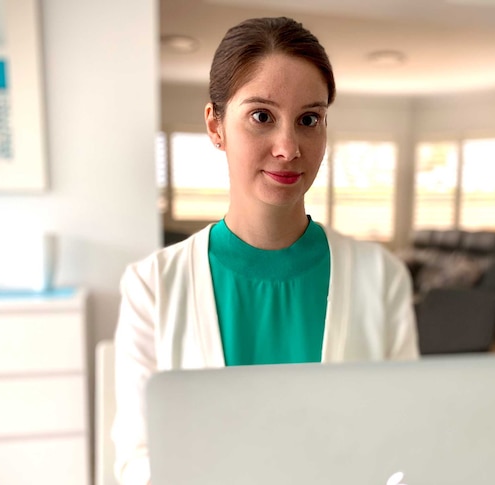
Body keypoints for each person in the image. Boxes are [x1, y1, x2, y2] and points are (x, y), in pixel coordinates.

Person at [111, 16, 419, 485]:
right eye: (261, 116)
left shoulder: (382, 277)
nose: (288, 147)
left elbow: (406, 443)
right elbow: (137, 459)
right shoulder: (151, 286)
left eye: (309, 119)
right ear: (216, 126)